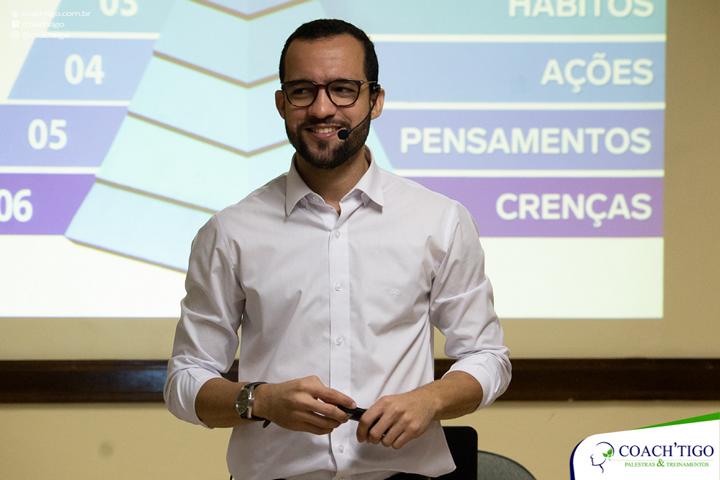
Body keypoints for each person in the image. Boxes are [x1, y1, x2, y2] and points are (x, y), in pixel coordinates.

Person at [164, 19, 511, 480]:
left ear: (375, 100)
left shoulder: (440, 221)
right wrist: (261, 400)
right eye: (303, 91)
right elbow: (186, 380)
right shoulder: (229, 232)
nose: (322, 108)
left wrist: (430, 399)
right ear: (281, 103)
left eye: (343, 89)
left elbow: (488, 357)